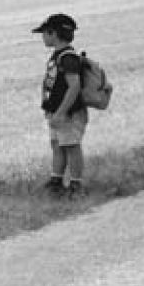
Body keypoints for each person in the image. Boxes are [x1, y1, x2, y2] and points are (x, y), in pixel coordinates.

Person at [33, 13, 88, 199]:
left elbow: (74, 87)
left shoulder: (68, 58)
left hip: (68, 114)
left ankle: (76, 184)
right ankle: (56, 181)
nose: (43, 36)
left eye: (44, 33)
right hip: (56, 113)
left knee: (72, 147)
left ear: (53, 33)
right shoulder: (58, 56)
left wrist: (61, 112)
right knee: (57, 145)